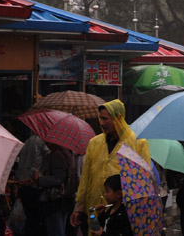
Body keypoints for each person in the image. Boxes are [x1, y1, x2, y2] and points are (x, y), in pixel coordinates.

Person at [71, 100, 150, 230]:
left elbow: (143, 181)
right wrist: (79, 207)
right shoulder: (94, 143)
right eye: (100, 118)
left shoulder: (137, 143)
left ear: (118, 118)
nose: (101, 123)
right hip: (95, 209)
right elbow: (85, 178)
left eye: (105, 119)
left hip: (122, 213)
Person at [34, 143, 77, 236]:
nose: (45, 142)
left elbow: (58, 178)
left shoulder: (57, 154)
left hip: (55, 199)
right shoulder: (67, 153)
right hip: (63, 199)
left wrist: (39, 180)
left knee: (56, 230)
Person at [14, 133, 49, 235]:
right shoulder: (41, 142)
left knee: (30, 219)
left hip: (24, 184)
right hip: (34, 185)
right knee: (36, 219)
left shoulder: (27, 141)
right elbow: (48, 157)